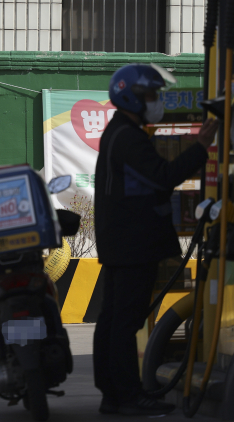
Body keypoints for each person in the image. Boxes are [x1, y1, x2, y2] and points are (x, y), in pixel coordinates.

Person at [92, 64, 218, 416]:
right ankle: (129, 397)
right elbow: (164, 177)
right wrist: (201, 146)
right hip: (132, 246)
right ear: (131, 96)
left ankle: (113, 396)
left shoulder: (119, 133)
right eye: (151, 95)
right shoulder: (129, 138)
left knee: (114, 321)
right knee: (124, 324)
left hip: (122, 243)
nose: (156, 101)